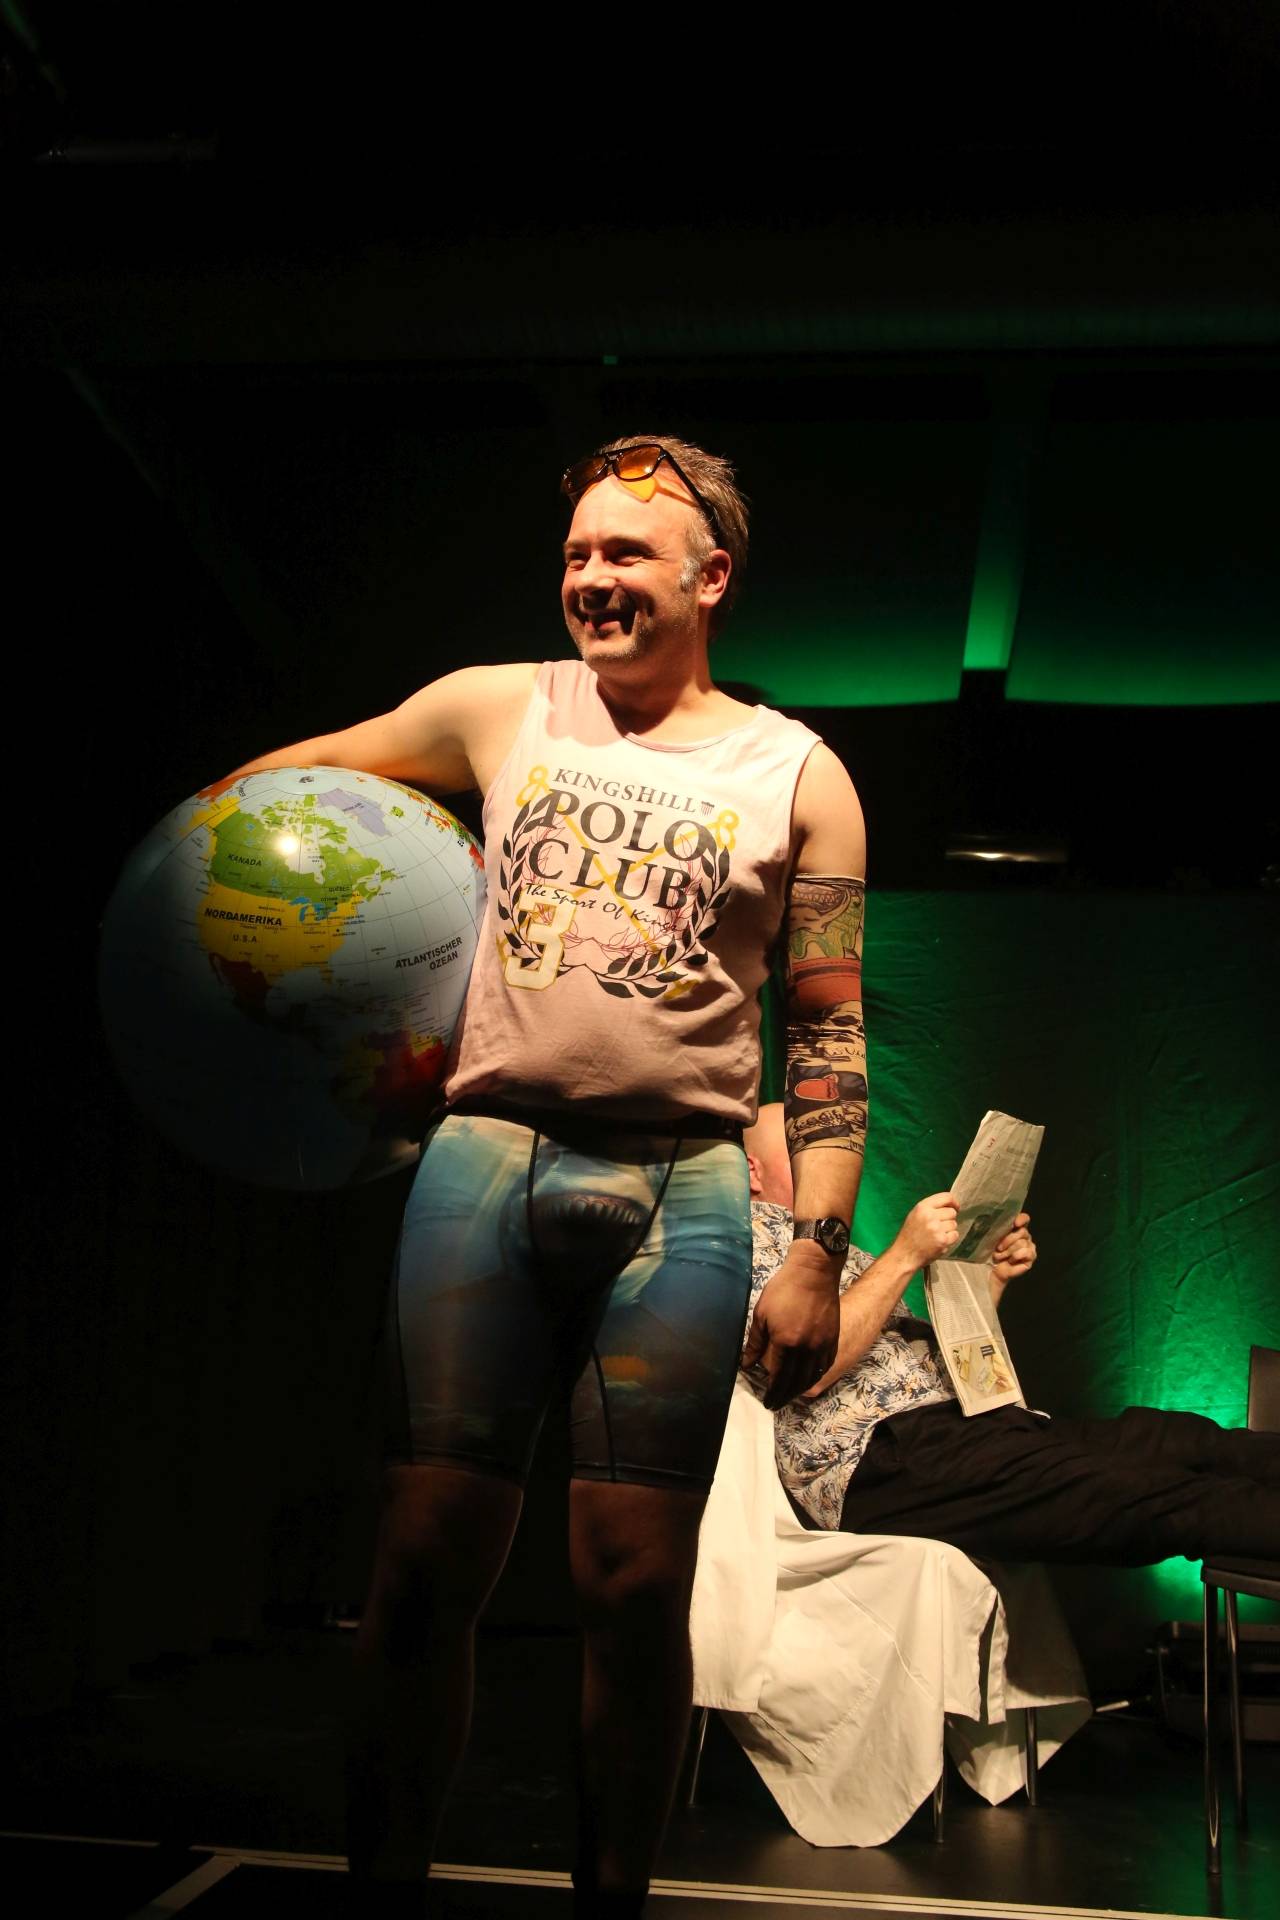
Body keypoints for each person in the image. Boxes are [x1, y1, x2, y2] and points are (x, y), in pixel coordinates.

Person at [220, 438, 869, 1917]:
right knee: (420, 1563)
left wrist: (816, 1251)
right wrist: (201, 846)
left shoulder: (800, 776)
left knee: (635, 1588)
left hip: (685, 1192)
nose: (591, 577)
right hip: (486, 1168)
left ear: (710, 578)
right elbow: (304, 777)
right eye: (576, 553)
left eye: (625, 553)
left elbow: (829, 1032)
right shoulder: (500, 705)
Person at [742, 1103, 1280, 1561]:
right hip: (884, 1458)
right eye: (807, 1150)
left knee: (1181, 1439)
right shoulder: (746, 1241)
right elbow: (803, 1372)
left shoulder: (838, 1252)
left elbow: (957, 1368)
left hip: (969, 1425)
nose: (835, 1166)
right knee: (1167, 1499)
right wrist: (905, 1253)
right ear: (752, 1170)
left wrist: (989, 1281)